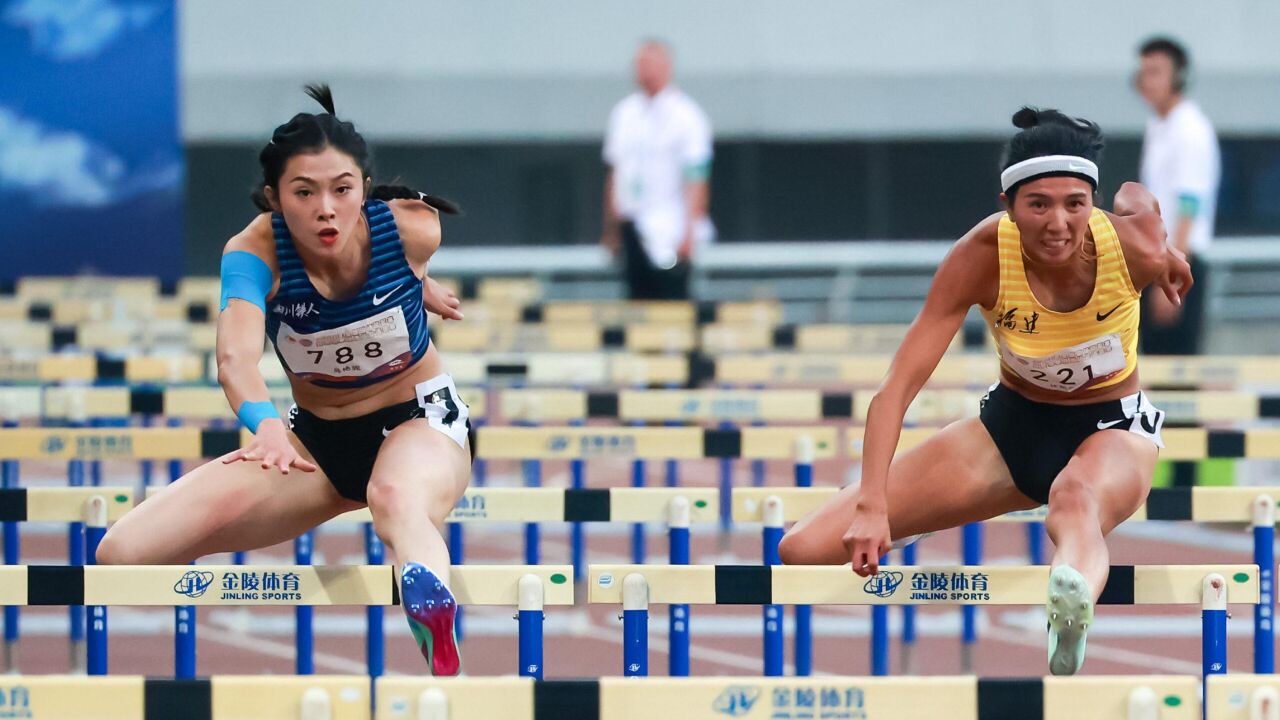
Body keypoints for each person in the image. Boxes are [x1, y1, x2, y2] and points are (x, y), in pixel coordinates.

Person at [777, 108, 1193, 676]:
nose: (1058, 223)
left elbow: (1138, 197)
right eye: (1037, 205)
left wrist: (1162, 245)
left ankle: (1069, 603)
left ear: (1092, 203)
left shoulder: (1133, 247)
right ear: (1008, 207)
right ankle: (917, 518)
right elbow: (895, 390)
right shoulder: (980, 256)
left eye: (1075, 203)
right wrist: (873, 506)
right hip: (1009, 430)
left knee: (1075, 501)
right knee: (801, 550)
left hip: (1112, 428)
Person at [97, 85, 471, 676]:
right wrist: (265, 426)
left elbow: (394, 265)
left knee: (393, 498)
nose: (326, 209)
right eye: (304, 192)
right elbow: (235, 358)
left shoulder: (413, 230)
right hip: (311, 446)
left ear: (364, 191)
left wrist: (418, 285)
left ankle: (435, 618)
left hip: (418, 422)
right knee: (122, 554)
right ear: (274, 198)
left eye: (342, 190)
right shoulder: (253, 254)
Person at [600, 39, 714, 300]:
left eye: (649, 63)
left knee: (671, 305)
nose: (643, 70)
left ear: (666, 66)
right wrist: (611, 229)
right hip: (631, 224)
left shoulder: (686, 116)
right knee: (637, 308)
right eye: (639, 64)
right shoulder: (625, 113)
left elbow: (696, 177)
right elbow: (615, 173)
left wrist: (689, 232)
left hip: (669, 227)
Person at [1135, 36, 1220, 356]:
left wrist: (1171, 278)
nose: (1147, 80)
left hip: (1180, 261)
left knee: (1178, 368)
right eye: (1144, 72)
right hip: (1155, 257)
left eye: (1156, 71)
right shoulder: (1159, 127)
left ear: (1179, 77)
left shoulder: (1190, 128)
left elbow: (1190, 205)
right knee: (1153, 360)